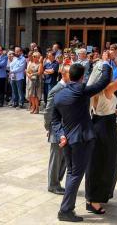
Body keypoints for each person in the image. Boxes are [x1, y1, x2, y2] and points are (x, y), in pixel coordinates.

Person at [51, 62, 112, 222]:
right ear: (82, 77)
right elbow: (103, 82)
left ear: (70, 75)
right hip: (82, 140)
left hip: (67, 140)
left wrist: (61, 135)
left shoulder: (59, 95)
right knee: (75, 175)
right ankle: (65, 210)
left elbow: (55, 120)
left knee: (72, 174)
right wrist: (106, 65)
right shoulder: (81, 90)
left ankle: (66, 209)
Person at [85, 51, 117, 214]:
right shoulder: (109, 88)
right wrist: (116, 60)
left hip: (97, 122)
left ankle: (92, 197)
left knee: (96, 163)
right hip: (106, 128)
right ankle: (94, 201)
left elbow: (103, 106)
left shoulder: (91, 90)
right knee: (105, 164)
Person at [43, 64, 70, 196]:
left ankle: (57, 182)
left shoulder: (68, 87)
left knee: (64, 158)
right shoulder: (56, 89)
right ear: (64, 75)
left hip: (66, 129)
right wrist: (49, 127)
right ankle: (53, 184)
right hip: (57, 129)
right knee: (56, 158)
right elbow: (48, 111)